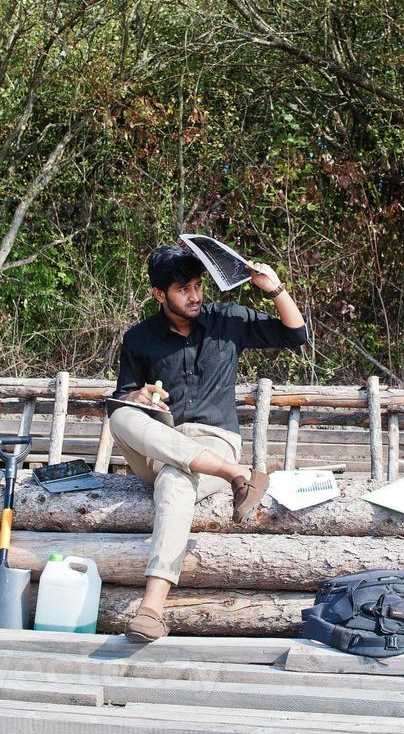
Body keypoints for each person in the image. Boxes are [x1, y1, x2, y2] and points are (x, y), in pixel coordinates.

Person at [106, 243, 308, 642]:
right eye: (184, 289)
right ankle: (239, 475)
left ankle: (151, 609)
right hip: (161, 440)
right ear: (159, 295)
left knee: (176, 481)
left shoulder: (227, 319)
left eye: (198, 285)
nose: (195, 296)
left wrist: (274, 289)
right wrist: (140, 397)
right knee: (120, 414)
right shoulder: (139, 338)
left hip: (215, 440)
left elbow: (296, 334)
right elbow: (124, 394)